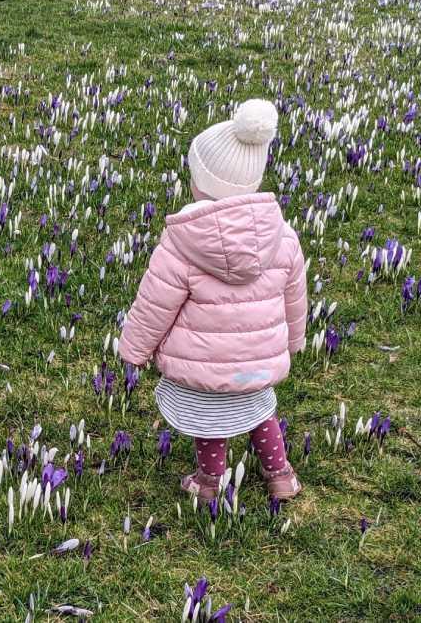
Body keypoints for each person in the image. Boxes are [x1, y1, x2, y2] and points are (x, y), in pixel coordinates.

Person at [118, 99, 308, 501]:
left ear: (198, 184)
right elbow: (295, 297)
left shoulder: (181, 243)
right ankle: (280, 475)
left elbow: (155, 304)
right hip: (257, 363)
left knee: (211, 424)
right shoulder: (284, 237)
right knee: (260, 414)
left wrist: (135, 350)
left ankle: (209, 482)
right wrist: (293, 343)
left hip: (204, 365)